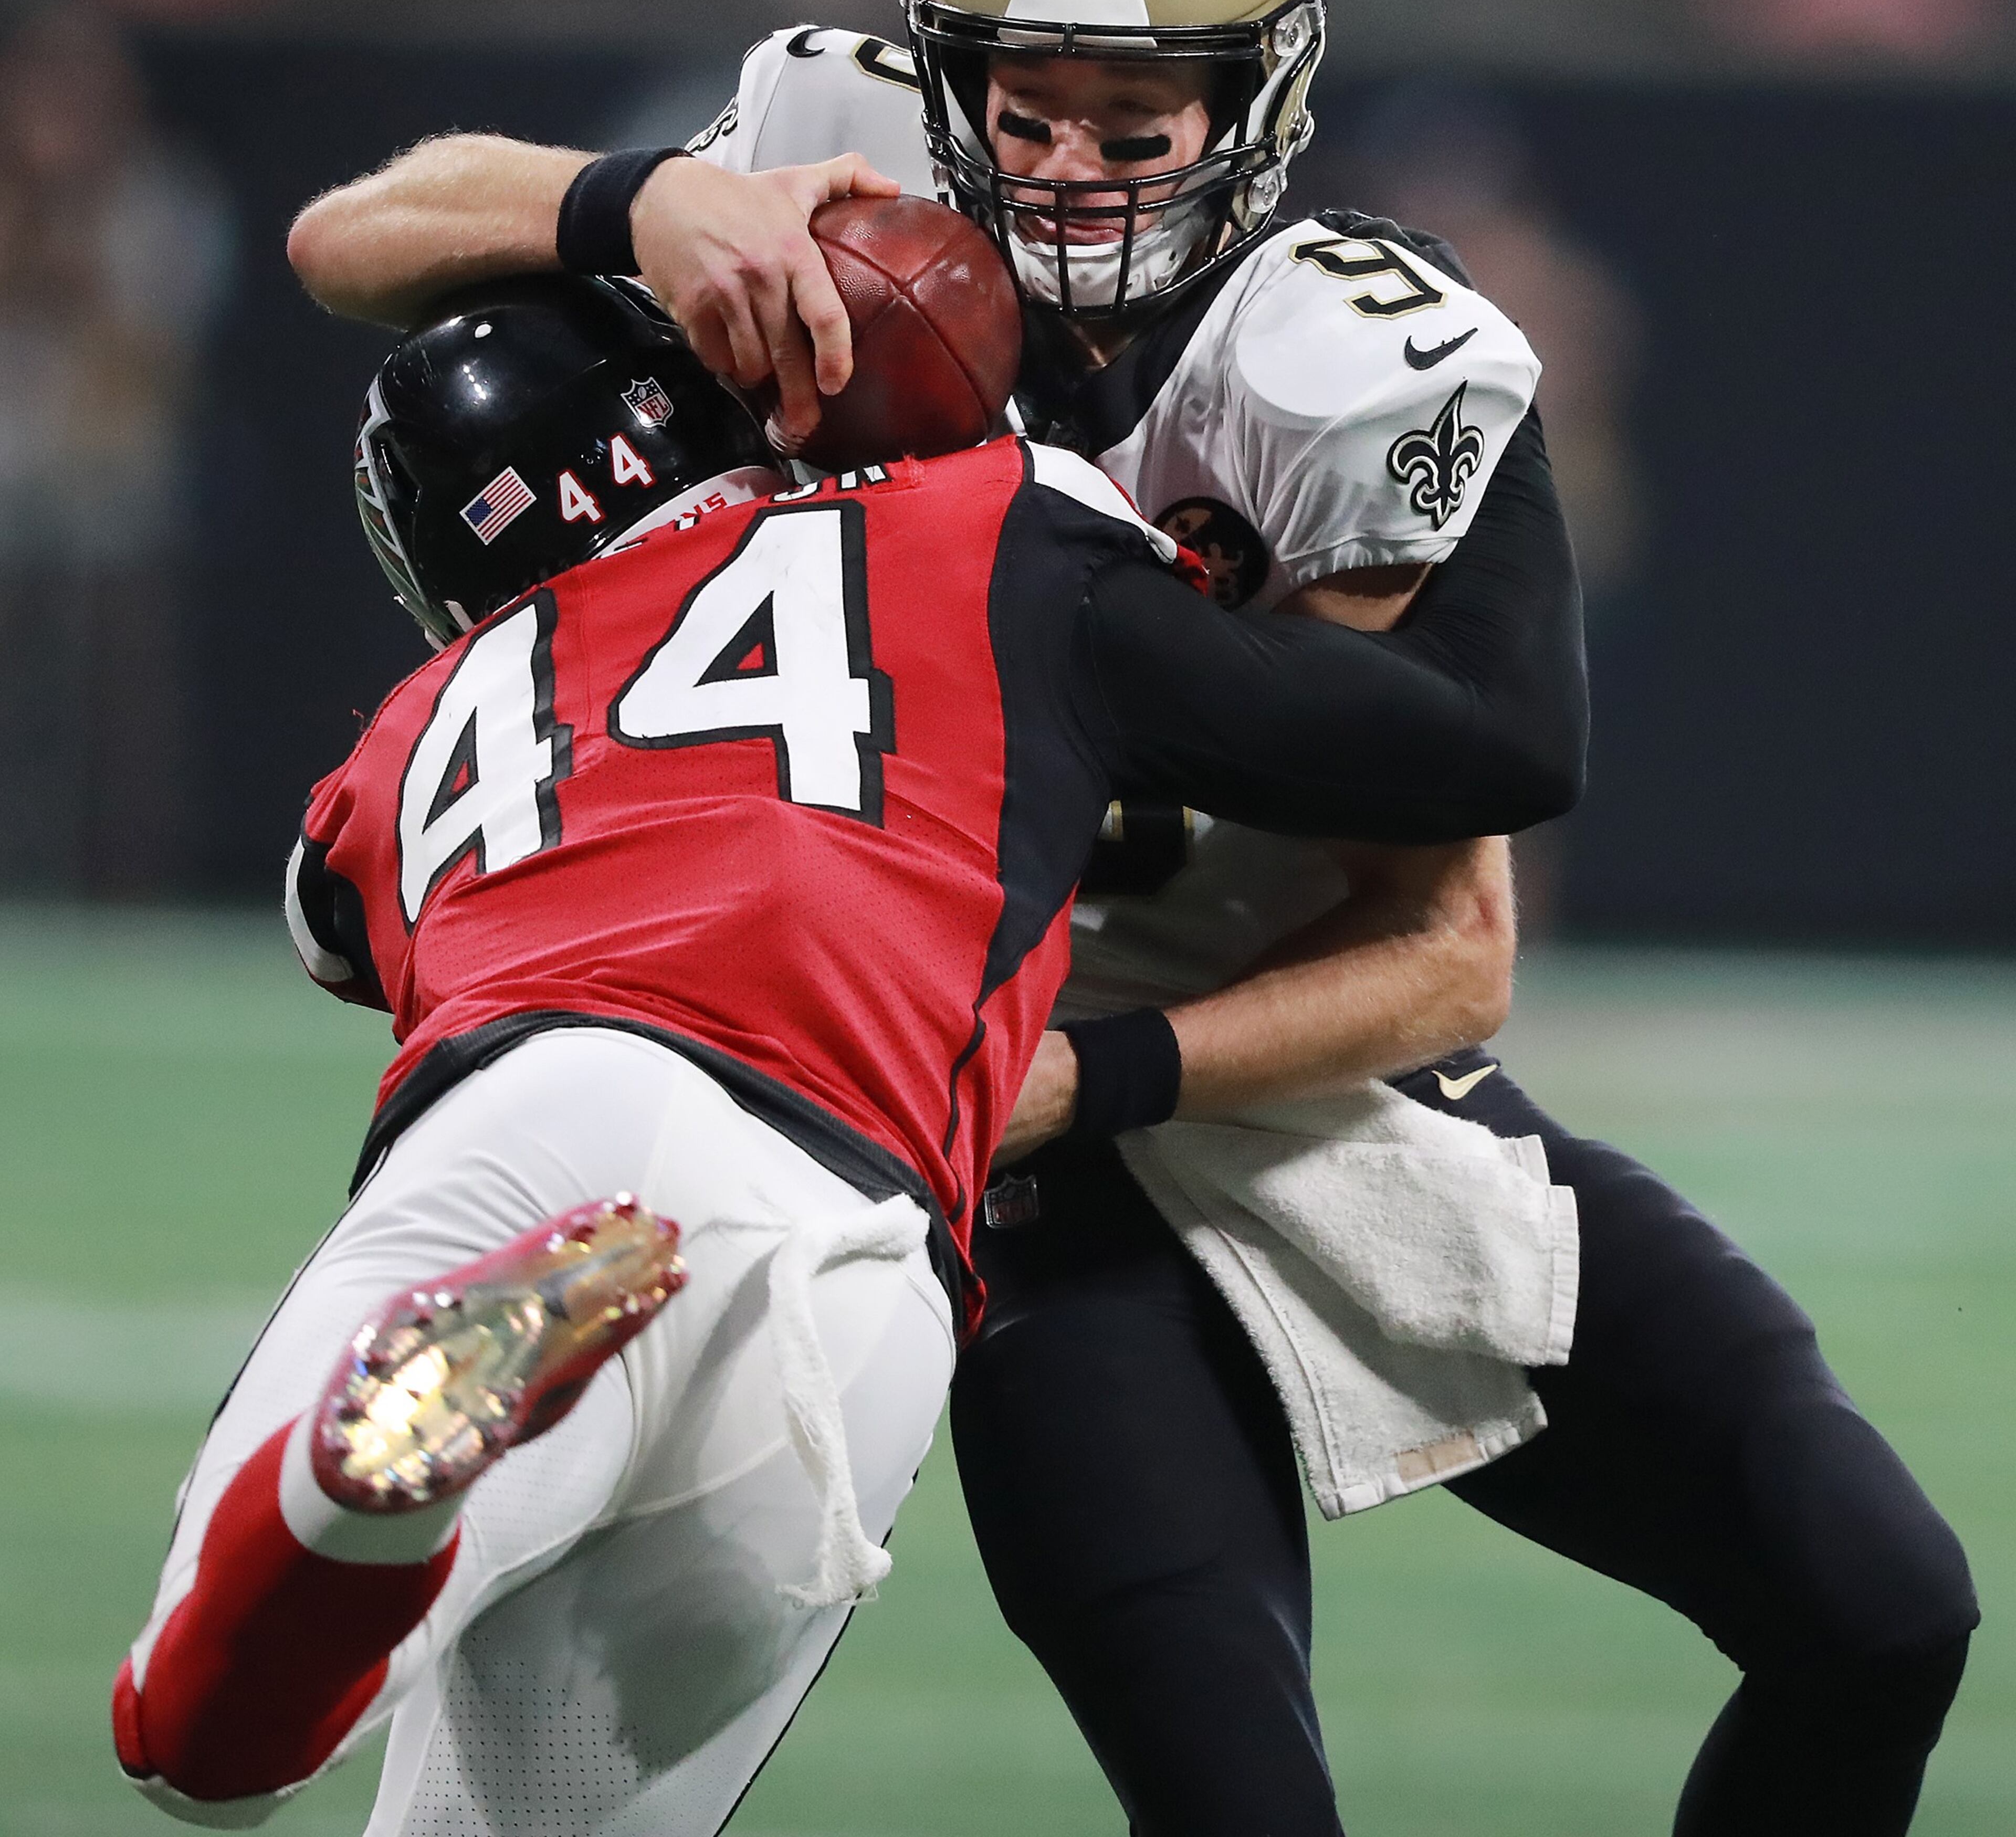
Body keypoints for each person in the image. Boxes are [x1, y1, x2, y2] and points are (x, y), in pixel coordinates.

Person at [283, 0, 1977, 1835]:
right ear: (949, 72)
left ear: (1256, 96)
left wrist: (1067, 1070)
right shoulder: (823, 166)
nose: (1070, 167)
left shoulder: (1343, 359)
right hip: (1007, 1187)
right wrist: (637, 203)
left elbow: (1453, 957)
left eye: (1135, 117)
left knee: (1884, 1610)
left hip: (1265, 1092)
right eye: (1027, 109)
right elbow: (351, 239)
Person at [114, 272, 1583, 1833]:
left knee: (196, 1754)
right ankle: (372, 1513)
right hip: (867, 1265)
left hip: (550, 1117)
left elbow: (334, 925)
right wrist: (1491, 446)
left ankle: (360, 1506)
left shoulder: (418, 723)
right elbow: (1459, 744)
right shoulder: (996, 518)